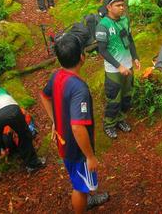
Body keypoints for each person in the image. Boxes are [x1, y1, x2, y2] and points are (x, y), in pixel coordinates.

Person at [40, 33, 108, 213]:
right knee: (80, 187)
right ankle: (83, 204)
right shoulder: (79, 89)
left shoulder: (57, 75)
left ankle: (88, 196)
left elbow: (44, 96)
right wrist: (90, 156)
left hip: (64, 142)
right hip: (76, 149)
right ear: (82, 57)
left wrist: (55, 120)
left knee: (80, 181)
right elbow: (78, 126)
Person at [95, 0, 140, 139]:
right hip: (114, 70)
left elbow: (130, 40)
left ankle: (121, 119)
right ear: (109, 6)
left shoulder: (124, 20)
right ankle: (109, 124)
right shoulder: (103, 26)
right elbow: (102, 50)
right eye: (118, 5)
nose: (122, 8)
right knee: (114, 98)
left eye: (123, 5)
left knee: (127, 96)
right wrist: (118, 66)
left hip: (129, 66)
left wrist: (135, 57)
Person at [0, 87, 45, 187]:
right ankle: (32, 164)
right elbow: (9, 97)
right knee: (23, 133)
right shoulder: (0, 89)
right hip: (10, 108)